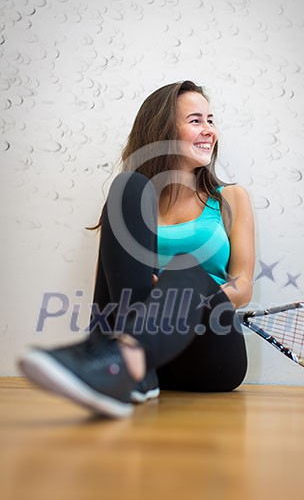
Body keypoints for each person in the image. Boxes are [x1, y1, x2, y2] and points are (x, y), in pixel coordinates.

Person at [18, 80, 255, 418]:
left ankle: (127, 358)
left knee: (185, 270)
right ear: (163, 130)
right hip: (146, 356)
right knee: (127, 184)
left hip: (208, 350)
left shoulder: (230, 198)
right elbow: (109, 287)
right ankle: (127, 364)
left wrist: (181, 293)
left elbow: (243, 286)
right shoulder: (132, 203)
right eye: (196, 120)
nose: (209, 131)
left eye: (211, 120)